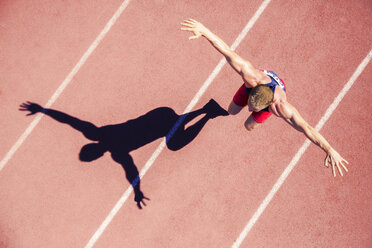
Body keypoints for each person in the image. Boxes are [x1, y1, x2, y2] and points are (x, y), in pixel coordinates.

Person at [181, 18, 349, 177]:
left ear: (267, 106)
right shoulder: (251, 77)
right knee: (231, 111)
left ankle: (252, 117)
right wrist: (203, 31)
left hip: (273, 95)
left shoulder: (280, 107)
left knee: (249, 126)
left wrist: (329, 149)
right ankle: (209, 110)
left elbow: (307, 128)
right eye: (250, 106)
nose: (249, 108)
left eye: (253, 108)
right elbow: (227, 51)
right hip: (260, 85)